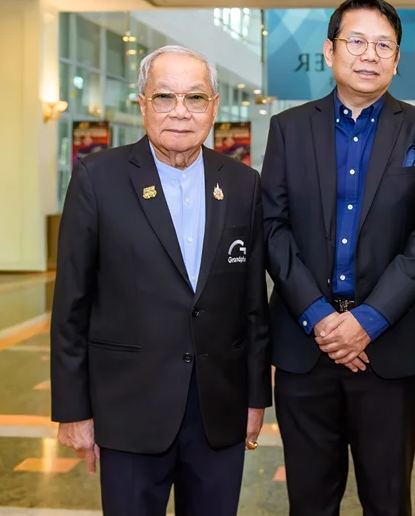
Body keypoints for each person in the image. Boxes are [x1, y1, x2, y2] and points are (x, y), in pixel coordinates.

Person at [50, 45, 271, 516]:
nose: (180, 111)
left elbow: (253, 305)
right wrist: (73, 410)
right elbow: (71, 304)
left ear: (214, 106)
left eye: (195, 97)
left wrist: (255, 399)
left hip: (218, 410)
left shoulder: (243, 184)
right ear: (143, 103)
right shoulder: (97, 178)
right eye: (164, 96)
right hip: (129, 410)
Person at [262, 0, 415, 515]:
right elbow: (273, 228)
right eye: (357, 41)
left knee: (388, 499)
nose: (370, 55)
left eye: (384, 45)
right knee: (309, 500)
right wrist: (320, 317)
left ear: (397, 59)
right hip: (306, 346)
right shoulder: (289, 128)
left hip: (389, 351)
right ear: (330, 51)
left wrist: (368, 320)